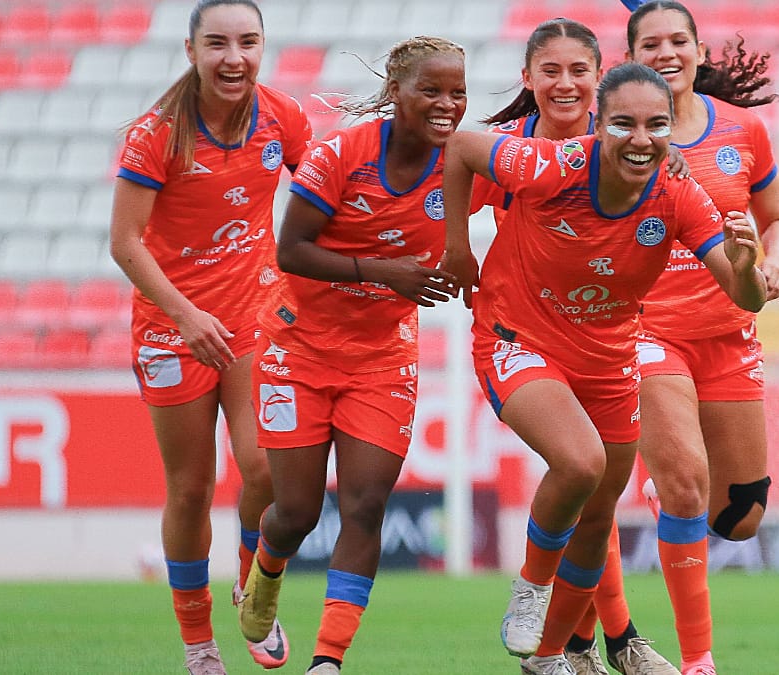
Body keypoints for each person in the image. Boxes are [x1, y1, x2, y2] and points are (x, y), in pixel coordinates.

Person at [440, 61, 768, 675]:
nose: (640, 139)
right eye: (623, 124)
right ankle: (532, 587)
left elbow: (742, 296)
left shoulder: (679, 194)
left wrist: (748, 265)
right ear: (599, 123)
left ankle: (548, 657)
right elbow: (459, 147)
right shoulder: (552, 166)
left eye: (656, 125)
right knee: (582, 462)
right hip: (520, 339)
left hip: (610, 357)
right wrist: (459, 248)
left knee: (597, 521)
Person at [571, 3, 779, 674]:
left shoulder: (744, 131)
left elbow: (775, 216)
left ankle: (663, 480)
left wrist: (774, 257)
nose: (667, 51)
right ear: (629, 56)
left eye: (678, 40)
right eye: (651, 43)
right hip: (644, 331)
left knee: (742, 515)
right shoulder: (605, 135)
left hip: (728, 332)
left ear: (699, 50)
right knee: (687, 486)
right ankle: (699, 661)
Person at [235, 36, 466, 675]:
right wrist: (382, 271)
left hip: (382, 357)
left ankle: (327, 662)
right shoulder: (342, 153)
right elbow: (290, 251)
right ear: (396, 93)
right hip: (297, 346)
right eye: (432, 89)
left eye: (458, 92)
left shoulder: (461, 164)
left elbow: (545, 178)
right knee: (297, 513)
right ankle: (265, 571)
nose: (447, 104)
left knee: (365, 506)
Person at [109, 1, 313, 672]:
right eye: (218, 43)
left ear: (263, 47)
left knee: (263, 468)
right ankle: (199, 644)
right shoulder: (157, 135)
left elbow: (328, 197)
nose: (234, 57)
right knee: (191, 488)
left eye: (248, 42)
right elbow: (125, 243)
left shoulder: (284, 119)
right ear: (191, 50)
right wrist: (186, 316)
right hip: (172, 330)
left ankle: (253, 591)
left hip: (255, 317)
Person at [479, 17, 682, 675]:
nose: (565, 84)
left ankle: (585, 644)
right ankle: (603, 640)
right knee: (584, 470)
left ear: (601, 81)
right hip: (527, 339)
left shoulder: (636, 144)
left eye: (579, 71)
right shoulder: (509, 150)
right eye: (551, 70)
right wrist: (444, 258)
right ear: (529, 79)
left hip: (604, 334)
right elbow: (445, 179)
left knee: (598, 495)